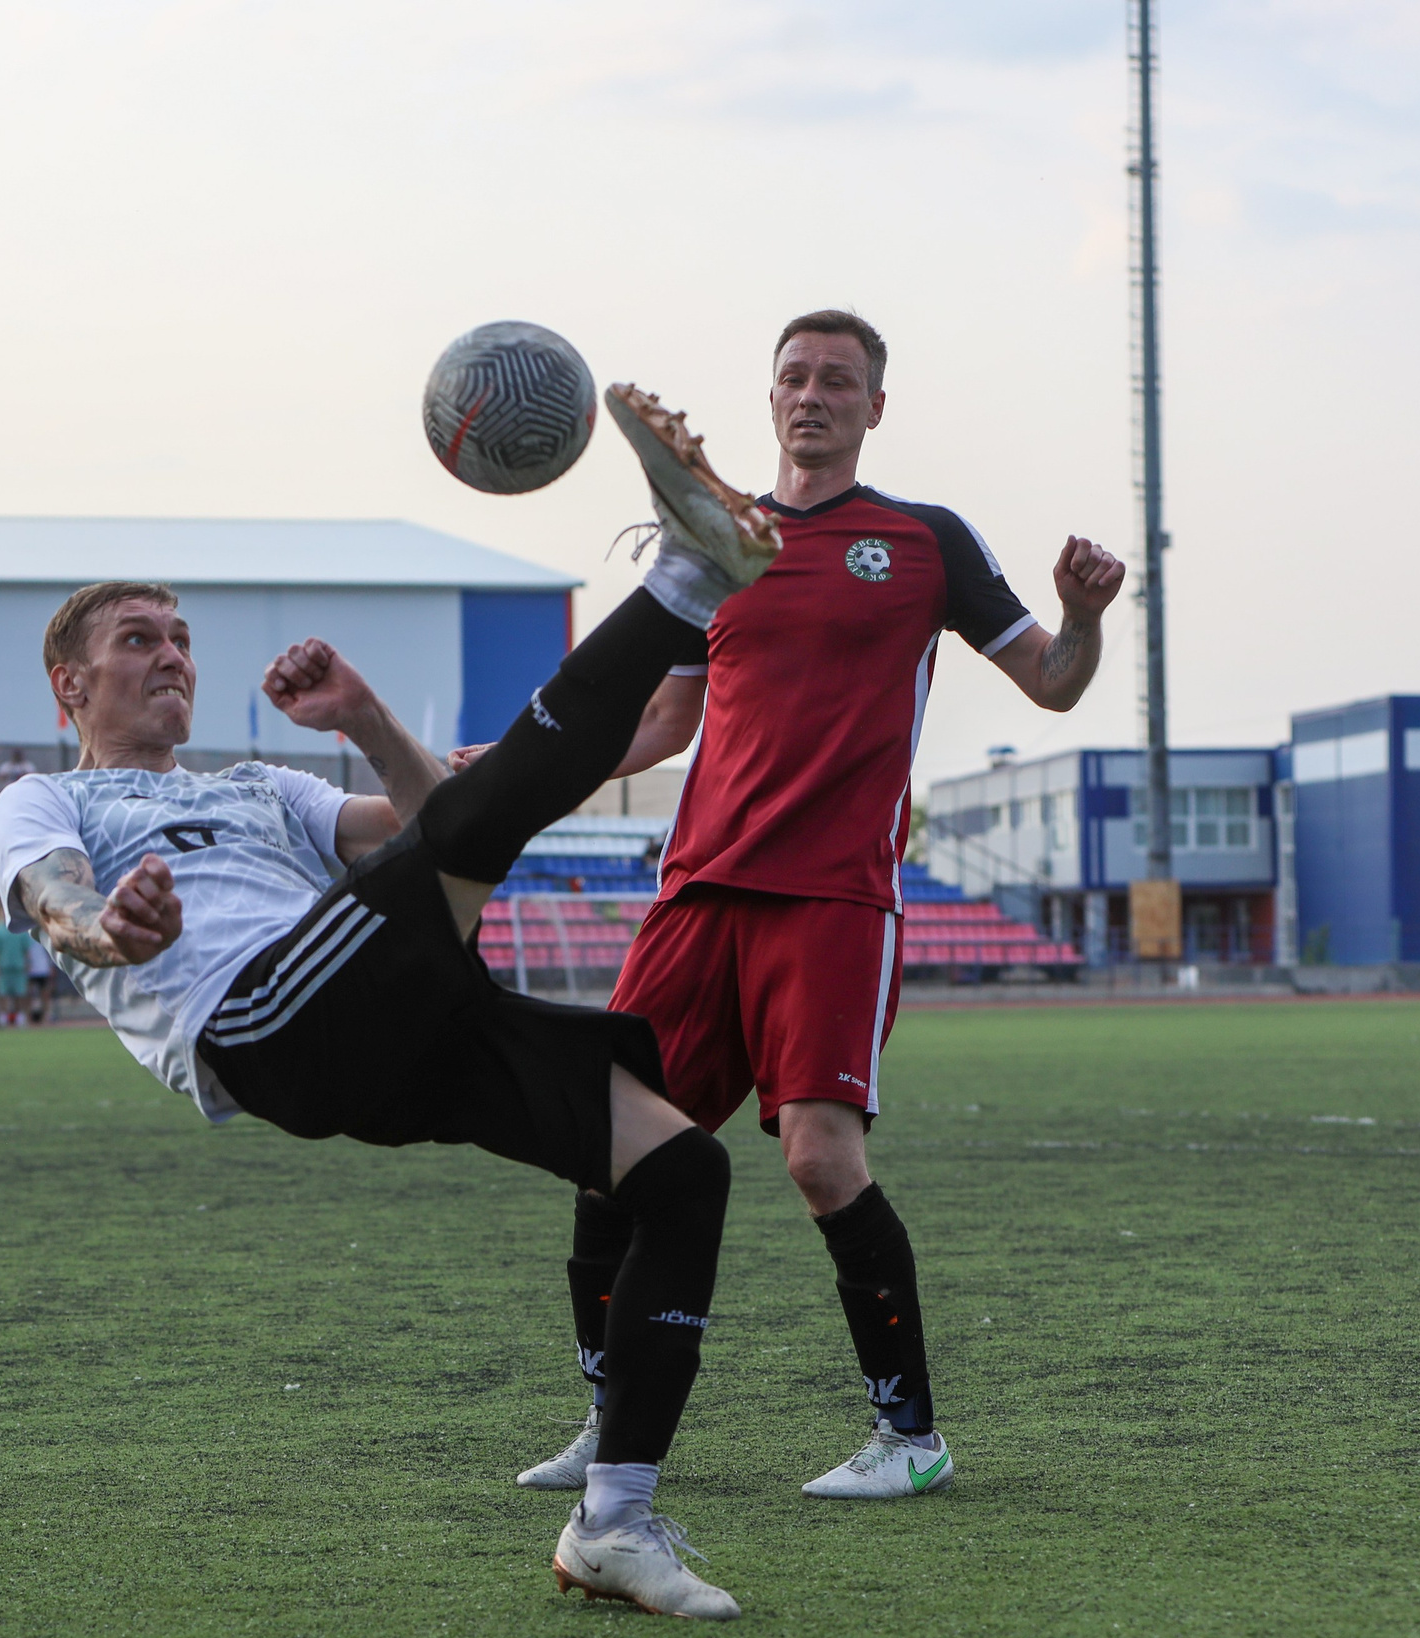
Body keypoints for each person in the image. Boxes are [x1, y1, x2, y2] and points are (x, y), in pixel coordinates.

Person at [0, 452, 778, 1620]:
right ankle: (685, 578)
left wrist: (359, 713)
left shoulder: (261, 783)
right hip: (269, 1019)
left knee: (681, 1167)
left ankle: (611, 1519)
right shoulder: (46, 798)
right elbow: (55, 900)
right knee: (476, 821)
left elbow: (427, 816)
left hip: (396, 1016)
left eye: (181, 636)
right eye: (139, 638)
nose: (172, 654)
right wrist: (111, 926)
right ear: (70, 683)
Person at [463, 312, 1127, 1504]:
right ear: (768, 401)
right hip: (695, 889)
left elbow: (1052, 682)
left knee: (820, 1159)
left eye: (837, 380)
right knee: (605, 1143)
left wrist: (1080, 617)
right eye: (793, 378)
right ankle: (609, 1416)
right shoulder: (711, 548)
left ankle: (909, 1433)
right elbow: (659, 724)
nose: (811, 395)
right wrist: (512, 766)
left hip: (832, 896)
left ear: (876, 408)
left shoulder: (922, 542)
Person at [0, 910, 30, 1025]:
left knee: (20, 993)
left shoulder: (21, 928)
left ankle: (20, 1016)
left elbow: (26, 950)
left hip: (18, 966)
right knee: (2, 993)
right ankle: (3, 1016)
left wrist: (28, 963)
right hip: (4, 966)